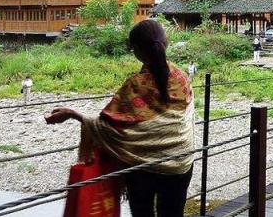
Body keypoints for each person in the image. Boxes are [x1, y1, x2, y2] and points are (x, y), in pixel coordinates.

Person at [45, 20, 195, 217]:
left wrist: (74, 114)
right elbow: (182, 119)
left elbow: (110, 126)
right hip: (180, 163)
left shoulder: (135, 85)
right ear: (165, 43)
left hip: (142, 167)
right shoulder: (181, 77)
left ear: (137, 50)